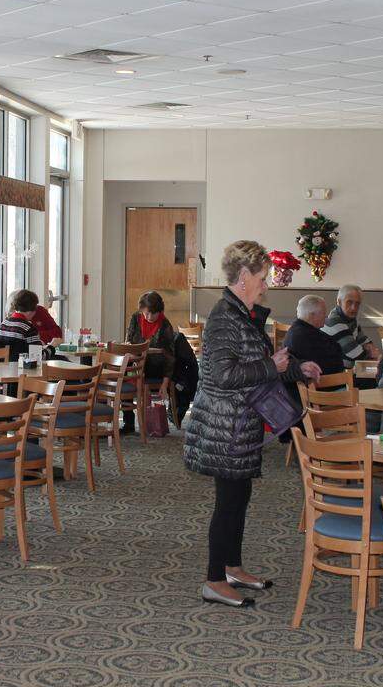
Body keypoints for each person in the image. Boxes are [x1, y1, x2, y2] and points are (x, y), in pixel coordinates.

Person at [184, 241, 321, 609]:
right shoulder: (224, 318)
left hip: (239, 423)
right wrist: (274, 368)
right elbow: (224, 374)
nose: (266, 285)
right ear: (243, 277)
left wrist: (297, 369)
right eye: (262, 278)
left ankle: (232, 567)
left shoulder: (243, 313)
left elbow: (263, 362)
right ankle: (214, 579)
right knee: (227, 502)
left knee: (239, 497)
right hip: (224, 425)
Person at [122, 290, 178, 435]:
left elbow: (170, 357)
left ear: (160, 311)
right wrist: (130, 348)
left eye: (153, 313)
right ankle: (128, 422)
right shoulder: (136, 318)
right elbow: (128, 340)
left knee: (128, 370)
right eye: (146, 313)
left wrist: (165, 384)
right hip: (136, 363)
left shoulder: (165, 325)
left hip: (155, 366)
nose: (149, 317)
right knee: (123, 368)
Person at [282, 295, 345, 376]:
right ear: (312, 315)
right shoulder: (306, 336)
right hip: (320, 385)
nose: (326, 317)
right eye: (323, 313)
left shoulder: (299, 329)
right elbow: (330, 365)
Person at [323, 284, 380, 368]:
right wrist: (371, 352)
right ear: (339, 302)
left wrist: (370, 348)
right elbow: (357, 355)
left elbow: (363, 339)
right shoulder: (335, 322)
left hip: (348, 371)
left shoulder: (350, 319)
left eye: (357, 304)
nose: (354, 308)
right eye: (349, 302)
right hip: (336, 375)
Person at [0, 289, 44, 359]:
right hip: (20, 368)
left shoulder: (3, 324)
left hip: (2, 367)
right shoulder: (29, 328)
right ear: (31, 311)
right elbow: (37, 357)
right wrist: (51, 347)